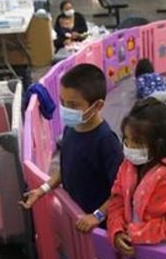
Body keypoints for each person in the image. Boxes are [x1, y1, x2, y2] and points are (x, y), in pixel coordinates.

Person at [20, 64, 123, 233]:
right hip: (76, 218)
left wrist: (97, 215)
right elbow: (67, 166)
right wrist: (42, 189)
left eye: (73, 105)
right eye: (62, 102)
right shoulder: (71, 128)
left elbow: (121, 190)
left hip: (98, 229)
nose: (66, 109)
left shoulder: (106, 142)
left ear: (97, 106)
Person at [107, 98, 166, 259]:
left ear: (160, 143)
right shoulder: (128, 165)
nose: (129, 147)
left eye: (137, 143)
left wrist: (135, 233)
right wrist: (116, 230)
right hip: (134, 253)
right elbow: (117, 199)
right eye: (126, 139)